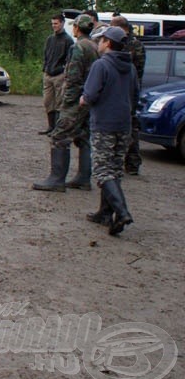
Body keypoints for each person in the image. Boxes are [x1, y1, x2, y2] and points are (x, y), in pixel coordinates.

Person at [80, 26, 136, 235]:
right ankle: (104, 213)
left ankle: (122, 213)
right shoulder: (130, 67)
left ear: (108, 43)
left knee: (103, 170)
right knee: (115, 168)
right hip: (124, 123)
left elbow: (91, 94)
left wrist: (83, 99)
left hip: (104, 123)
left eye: (102, 39)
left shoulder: (101, 65)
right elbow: (135, 95)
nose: (99, 43)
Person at [32, 14, 98, 192]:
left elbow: (73, 77)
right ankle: (84, 178)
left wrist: (67, 102)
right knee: (83, 137)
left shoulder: (78, 47)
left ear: (77, 28)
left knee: (59, 136)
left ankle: (57, 179)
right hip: (88, 98)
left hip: (75, 100)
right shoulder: (94, 45)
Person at [111, 16, 145, 175]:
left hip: (129, 90)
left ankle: (131, 162)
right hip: (127, 89)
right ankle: (127, 162)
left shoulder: (132, 45)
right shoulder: (130, 43)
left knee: (130, 126)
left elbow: (137, 70)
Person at [40, 12, 74, 135]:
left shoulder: (68, 40)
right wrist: (45, 68)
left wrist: (64, 71)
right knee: (48, 101)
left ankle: (58, 128)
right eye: (52, 24)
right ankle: (50, 126)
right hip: (48, 73)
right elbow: (46, 55)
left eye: (56, 23)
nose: (54, 26)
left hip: (59, 74)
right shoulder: (50, 39)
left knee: (59, 102)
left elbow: (70, 59)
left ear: (62, 23)